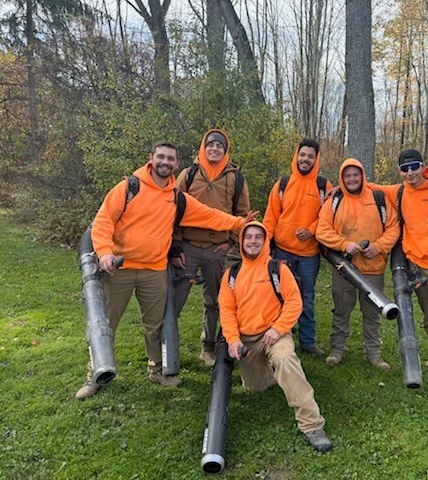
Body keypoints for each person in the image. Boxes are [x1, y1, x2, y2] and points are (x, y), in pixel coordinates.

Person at [75, 140, 254, 400]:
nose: (165, 162)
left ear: (176, 164)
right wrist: (104, 253)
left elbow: (209, 215)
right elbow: (102, 221)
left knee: (155, 326)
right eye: (161, 157)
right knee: (106, 324)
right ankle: (95, 375)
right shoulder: (129, 187)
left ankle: (157, 370)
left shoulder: (177, 198)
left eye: (170, 159)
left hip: (155, 271)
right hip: (120, 270)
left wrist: (240, 223)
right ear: (151, 158)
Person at [218, 221, 332, 453]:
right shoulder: (231, 275)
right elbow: (227, 311)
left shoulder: (277, 268)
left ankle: (312, 424)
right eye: (248, 237)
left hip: (273, 334)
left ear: (265, 241)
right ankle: (272, 374)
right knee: (255, 388)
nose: (252, 241)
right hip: (246, 339)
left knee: (284, 359)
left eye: (258, 237)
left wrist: (278, 329)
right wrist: (233, 340)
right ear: (242, 242)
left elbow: (294, 302)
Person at [368, 149, 428, 409]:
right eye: (404, 169)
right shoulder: (399, 192)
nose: (410, 173)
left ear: (424, 167)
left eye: (414, 167)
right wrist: (337, 189)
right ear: (399, 171)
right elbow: (369, 186)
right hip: (418, 270)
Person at [170, 130, 250, 366]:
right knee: (176, 300)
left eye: (219, 146)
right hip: (188, 249)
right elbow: (172, 209)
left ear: (226, 151)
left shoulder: (236, 179)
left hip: (217, 250)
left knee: (214, 301)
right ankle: (167, 349)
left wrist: (230, 242)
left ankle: (208, 346)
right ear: (203, 148)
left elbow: (243, 215)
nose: (214, 149)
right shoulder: (188, 174)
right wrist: (176, 246)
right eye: (210, 145)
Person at [315, 159, 399, 372]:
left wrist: (378, 246)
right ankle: (337, 350)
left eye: (355, 175)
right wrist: (345, 244)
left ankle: (373, 354)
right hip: (345, 268)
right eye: (347, 176)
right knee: (342, 310)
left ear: (362, 176)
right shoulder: (335, 201)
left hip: (374, 267)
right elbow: (322, 230)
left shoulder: (378, 198)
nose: (352, 179)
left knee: (372, 313)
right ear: (342, 179)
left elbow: (393, 228)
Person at [262, 139, 332, 357]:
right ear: (296, 155)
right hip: (282, 252)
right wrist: (265, 248)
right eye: (303, 155)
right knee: (280, 297)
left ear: (316, 159)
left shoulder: (323, 186)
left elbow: (328, 217)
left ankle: (308, 342)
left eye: (310, 156)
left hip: (309, 256)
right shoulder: (282, 184)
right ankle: (283, 340)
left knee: (306, 298)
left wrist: (311, 230)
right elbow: (270, 219)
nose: (305, 159)